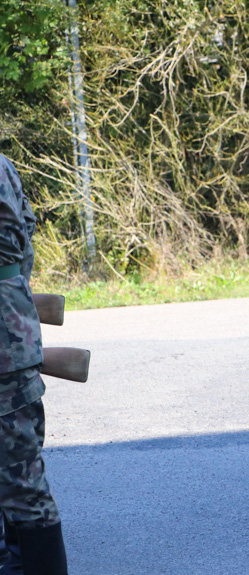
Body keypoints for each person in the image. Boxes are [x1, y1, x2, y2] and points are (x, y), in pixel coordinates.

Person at [0, 153, 68, 573]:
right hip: (10, 334)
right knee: (19, 481)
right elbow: (24, 242)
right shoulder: (5, 165)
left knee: (20, 483)